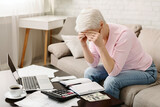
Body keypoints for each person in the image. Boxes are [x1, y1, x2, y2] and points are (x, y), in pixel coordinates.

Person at [75, 8, 157, 99]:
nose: (89, 38)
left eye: (90, 33)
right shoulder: (94, 33)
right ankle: (92, 102)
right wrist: (84, 45)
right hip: (121, 68)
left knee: (111, 81)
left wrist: (101, 46)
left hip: (145, 71)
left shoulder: (123, 34)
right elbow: (93, 63)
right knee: (89, 72)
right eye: (86, 34)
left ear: (101, 24)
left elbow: (113, 72)